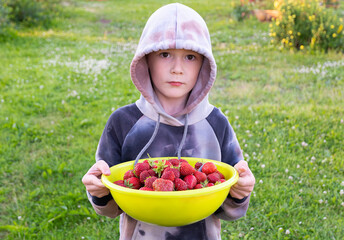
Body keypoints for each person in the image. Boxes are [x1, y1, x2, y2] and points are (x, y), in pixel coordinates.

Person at [82, 3, 255, 240]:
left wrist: (240, 192)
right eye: (165, 54)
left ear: (204, 64)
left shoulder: (217, 124)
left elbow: (229, 207)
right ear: (146, 59)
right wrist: (99, 190)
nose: (177, 69)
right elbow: (112, 207)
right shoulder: (122, 122)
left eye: (190, 56)